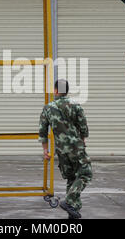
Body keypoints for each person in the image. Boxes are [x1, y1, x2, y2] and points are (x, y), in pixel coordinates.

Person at [38, 79, 92, 219]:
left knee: (71, 178)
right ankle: (69, 202)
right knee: (85, 173)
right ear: (66, 91)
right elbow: (84, 128)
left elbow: (42, 132)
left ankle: (72, 212)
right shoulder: (76, 105)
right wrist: (83, 140)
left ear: (56, 90)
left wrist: (46, 151)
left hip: (61, 150)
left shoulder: (48, 108)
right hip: (76, 147)